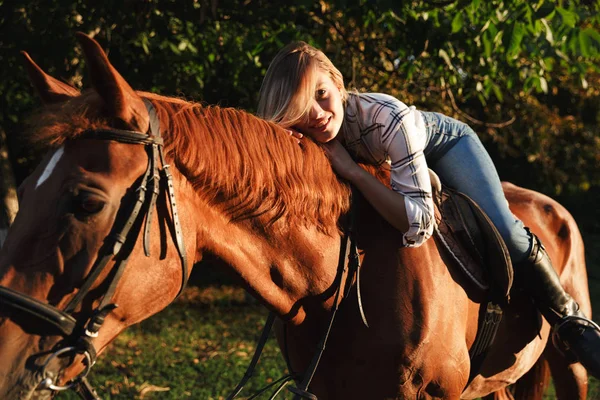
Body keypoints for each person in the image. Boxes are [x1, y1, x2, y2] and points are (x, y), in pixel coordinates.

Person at [257, 41, 600, 376]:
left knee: (504, 228)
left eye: (321, 94)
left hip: (443, 144)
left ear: (338, 83)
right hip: (399, 162)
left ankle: (571, 321)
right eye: (301, 107)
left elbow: (419, 221)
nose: (317, 114)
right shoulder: (305, 133)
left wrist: (350, 171)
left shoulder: (384, 118)